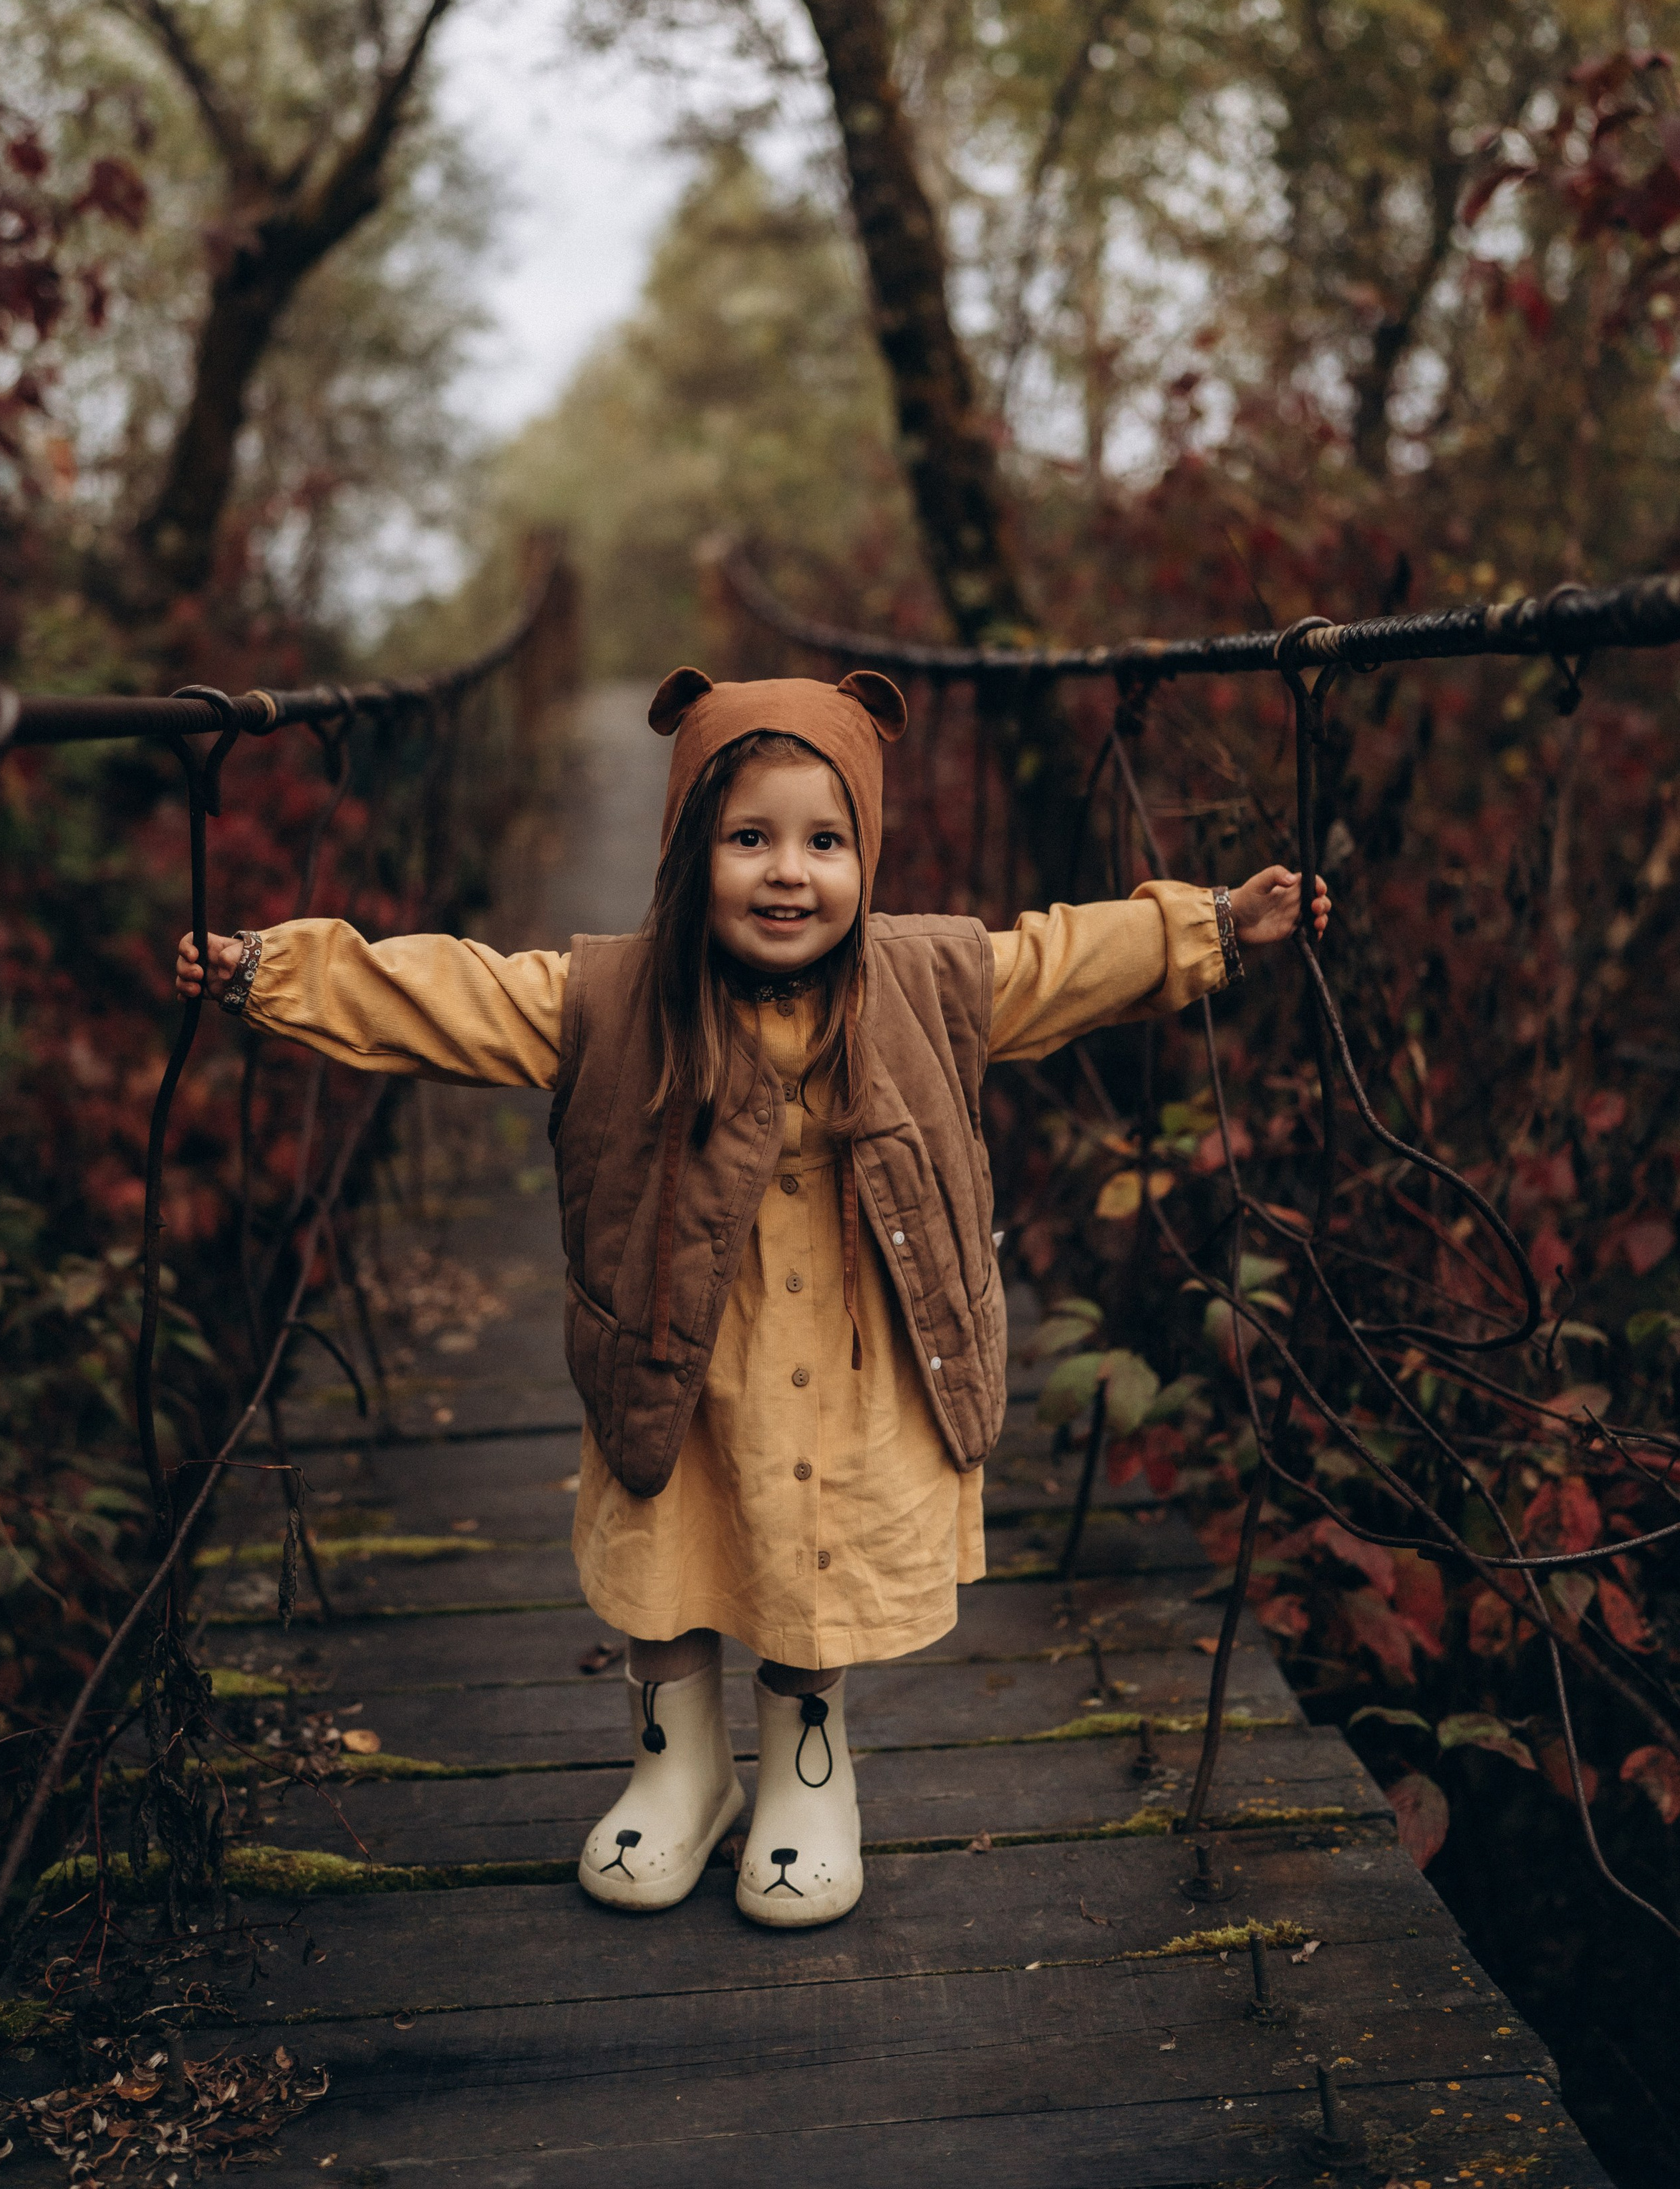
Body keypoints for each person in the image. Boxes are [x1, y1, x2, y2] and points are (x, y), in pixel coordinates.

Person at [177, 667, 1328, 1930]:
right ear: (689, 855)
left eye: (825, 842)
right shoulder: (611, 999)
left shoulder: (926, 979)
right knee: (669, 1558)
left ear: (865, 857)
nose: (790, 873)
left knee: (809, 1558)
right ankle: (679, 1772)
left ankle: (805, 1776)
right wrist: (267, 971)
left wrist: (1212, 923)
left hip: (854, 1348)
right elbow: (450, 993)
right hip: (676, 1347)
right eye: (750, 839)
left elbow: (1063, 960)